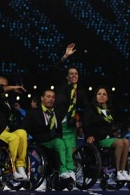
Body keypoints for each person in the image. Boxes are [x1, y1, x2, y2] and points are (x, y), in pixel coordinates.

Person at [52, 43, 88, 177]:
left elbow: (87, 107)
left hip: (71, 124)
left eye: (76, 74)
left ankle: (70, 171)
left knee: (71, 147)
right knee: (62, 148)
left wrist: (82, 120)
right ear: (67, 77)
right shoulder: (61, 87)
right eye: (71, 74)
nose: (74, 75)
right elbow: (55, 69)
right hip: (58, 123)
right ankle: (62, 171)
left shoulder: (81, 92)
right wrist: (65, 56)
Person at [83, 86, 130, 181]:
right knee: (120, 143)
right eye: (99, 94)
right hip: (98, 139)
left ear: (107, 97)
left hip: (108, 137)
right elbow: (86, 124)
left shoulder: (109, 111)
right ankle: (117, 172)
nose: (101, 96)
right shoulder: (90, 109)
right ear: (95, 96)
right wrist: (89, 135)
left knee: (126, 142)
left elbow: (119, 120)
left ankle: (123, 171)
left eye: (104, 94)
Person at [23, 89, 74, 180]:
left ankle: (66, 170)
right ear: (42, 98)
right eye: (48, 96)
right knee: (59, 143)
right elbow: (25, 128)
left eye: (53, 97)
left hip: (54, 140)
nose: (51, 99)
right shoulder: (33, 112)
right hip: (39, 141)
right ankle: (61, 171)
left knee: (64, 143)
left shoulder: (57, 112)